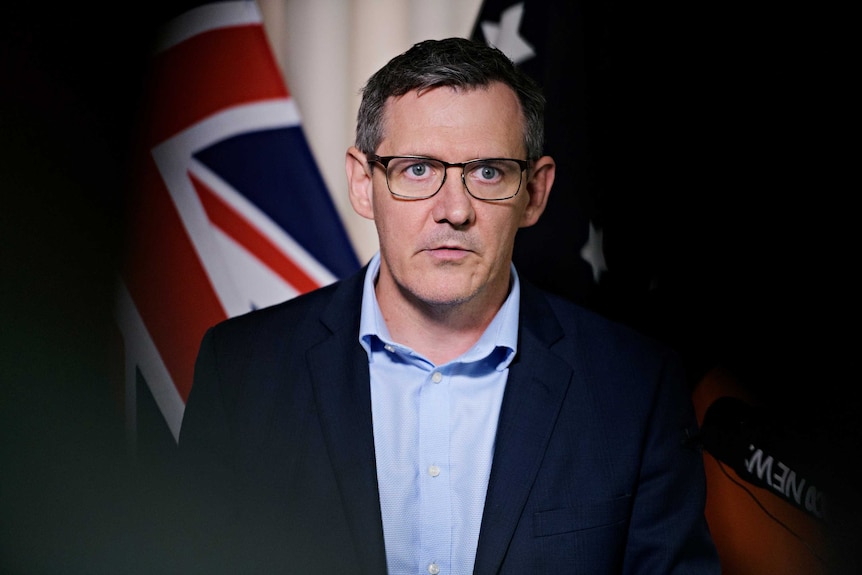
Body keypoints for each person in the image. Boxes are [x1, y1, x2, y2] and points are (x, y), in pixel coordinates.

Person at [176, 37, 720, 574]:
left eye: (488, 171)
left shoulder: (637, 388)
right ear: (364, 184)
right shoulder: (242, 371)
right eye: (417, 169)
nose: (454, 210)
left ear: (534, 192)